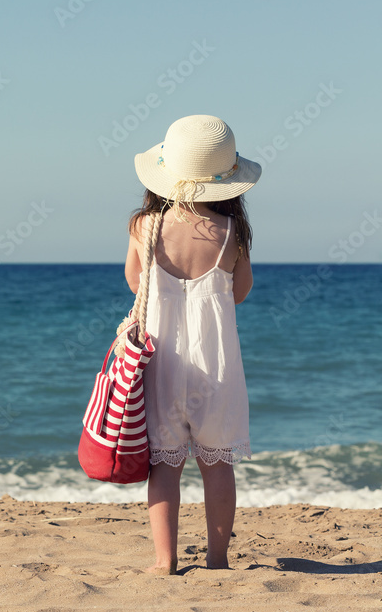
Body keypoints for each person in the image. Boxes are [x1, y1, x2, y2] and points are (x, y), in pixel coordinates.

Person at [123, 115, 261, 575]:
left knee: (164, 465)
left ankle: (164, 562)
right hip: (216, 363)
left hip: (163, 361)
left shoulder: (144, 226)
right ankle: (217, 560)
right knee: (216, 465)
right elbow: (238, 292)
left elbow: (133, 283)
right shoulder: (231, 234)